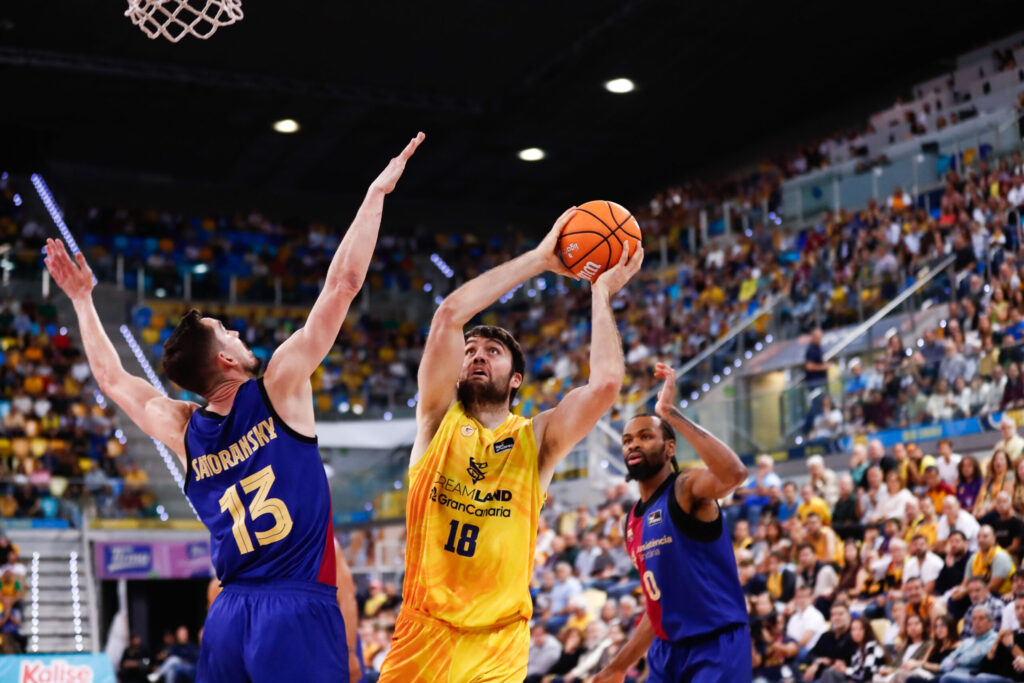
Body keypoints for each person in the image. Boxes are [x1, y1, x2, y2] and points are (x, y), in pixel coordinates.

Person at [44, 133, 425, 682]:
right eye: (227, 331)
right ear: (224, 360)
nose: (239, 332)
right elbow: (343, 284)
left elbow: (110, 378)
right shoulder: (280, 388)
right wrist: (375, 195)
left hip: (229, 615)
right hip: (295, 608)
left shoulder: (182, 427)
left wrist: (82, 300)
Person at [378, 209, 642, 682]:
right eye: (470, 351)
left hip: (499, 645)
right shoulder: (437, 419)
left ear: (516, 379)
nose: (476, 356)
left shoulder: (537, 438)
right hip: (424, 633)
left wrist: (600, 294)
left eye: (492, 352)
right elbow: (449, 315)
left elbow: (605, 385)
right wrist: (540, 259)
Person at [593, 363, 750, 682]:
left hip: (715, 645)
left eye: (645, 436)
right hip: (666, 653)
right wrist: (618, 666)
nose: (633, 444)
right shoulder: (630, 522)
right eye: (627, 440)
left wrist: (669, 413)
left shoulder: (685, 488)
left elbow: (734, 474)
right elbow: (658, 608)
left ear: (669, 448)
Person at [818, 615, 886, 682]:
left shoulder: (872, 647)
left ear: (867, 630)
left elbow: (865, 675)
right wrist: (841, 668)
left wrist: (845, 670)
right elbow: (856, 671)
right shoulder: (858, 649)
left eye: (860, 629)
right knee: (829, 672)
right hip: (855, 679)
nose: (856, 633)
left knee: (829, 673)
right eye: (853, 630)